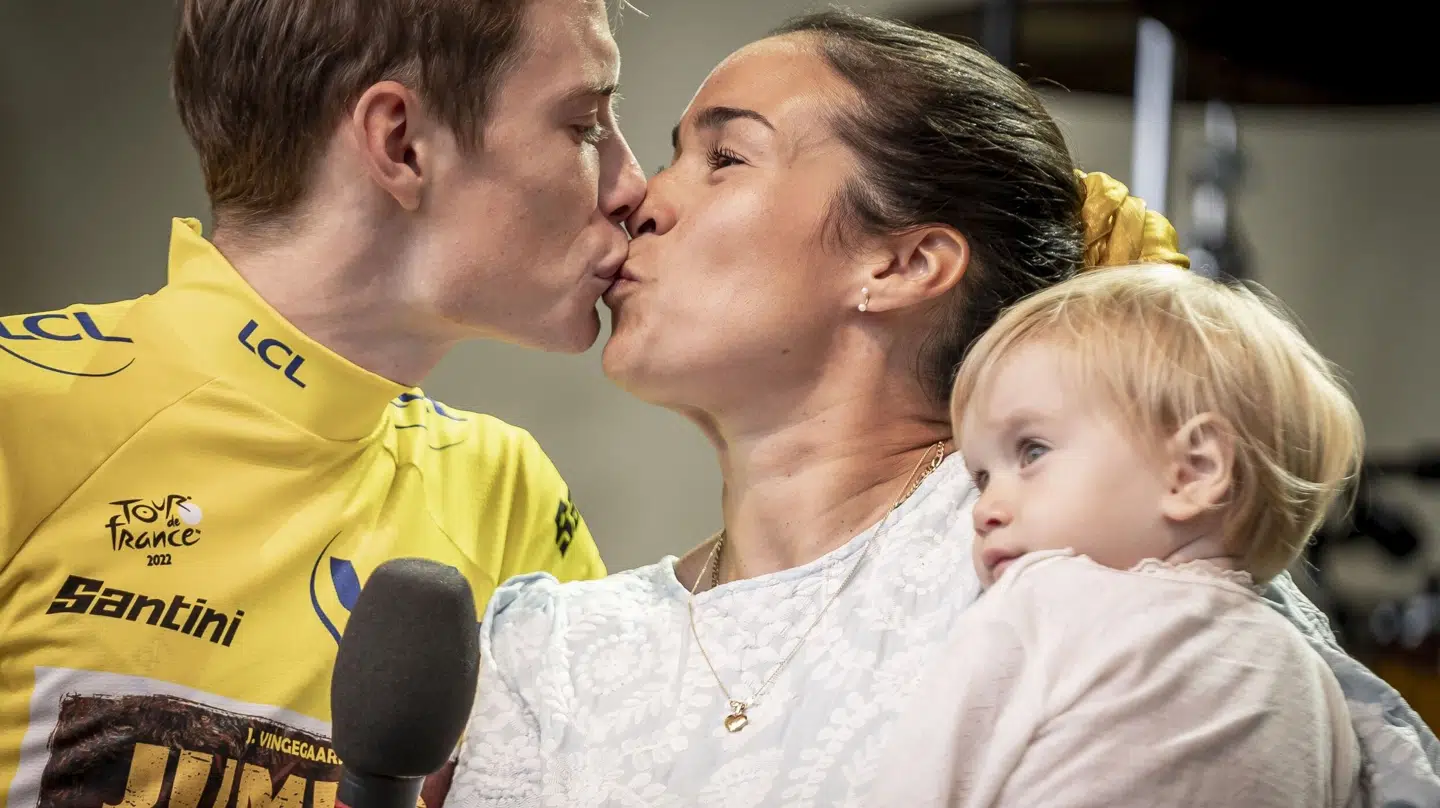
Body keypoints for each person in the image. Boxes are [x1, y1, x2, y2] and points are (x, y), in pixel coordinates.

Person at [445, 10, 1440, 808]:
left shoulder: (1099, 558)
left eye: (726, 157)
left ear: (907, 262)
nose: (640, 199)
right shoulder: (549, 649)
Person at [0, 0, 645, 806]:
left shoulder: (508, 491)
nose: (632, 184)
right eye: (585, 126)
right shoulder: (18, 410)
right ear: (400, 143)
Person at [871, 265, 1364, 807]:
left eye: (1032, 452)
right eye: (982, 478)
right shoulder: (1322, 694)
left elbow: (912, 788)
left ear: (1193, 471)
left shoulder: (1037, 608)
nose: (984, 509)